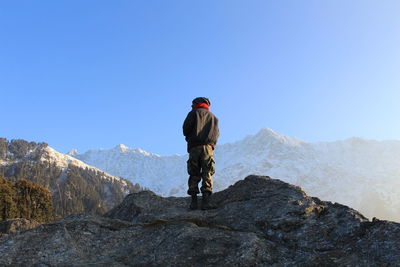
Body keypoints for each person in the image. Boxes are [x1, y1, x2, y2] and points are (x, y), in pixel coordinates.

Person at [183, 97, 219, 210]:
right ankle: (206, 202)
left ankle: (193, 202)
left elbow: (185, 129)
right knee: (207, 171)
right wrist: (211, 144)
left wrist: (190, 138)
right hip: (208, 148)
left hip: (194, 147)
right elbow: (216, 133)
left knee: (194, 172)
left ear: (196, 104)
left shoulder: (192, 113)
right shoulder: (213, 117)